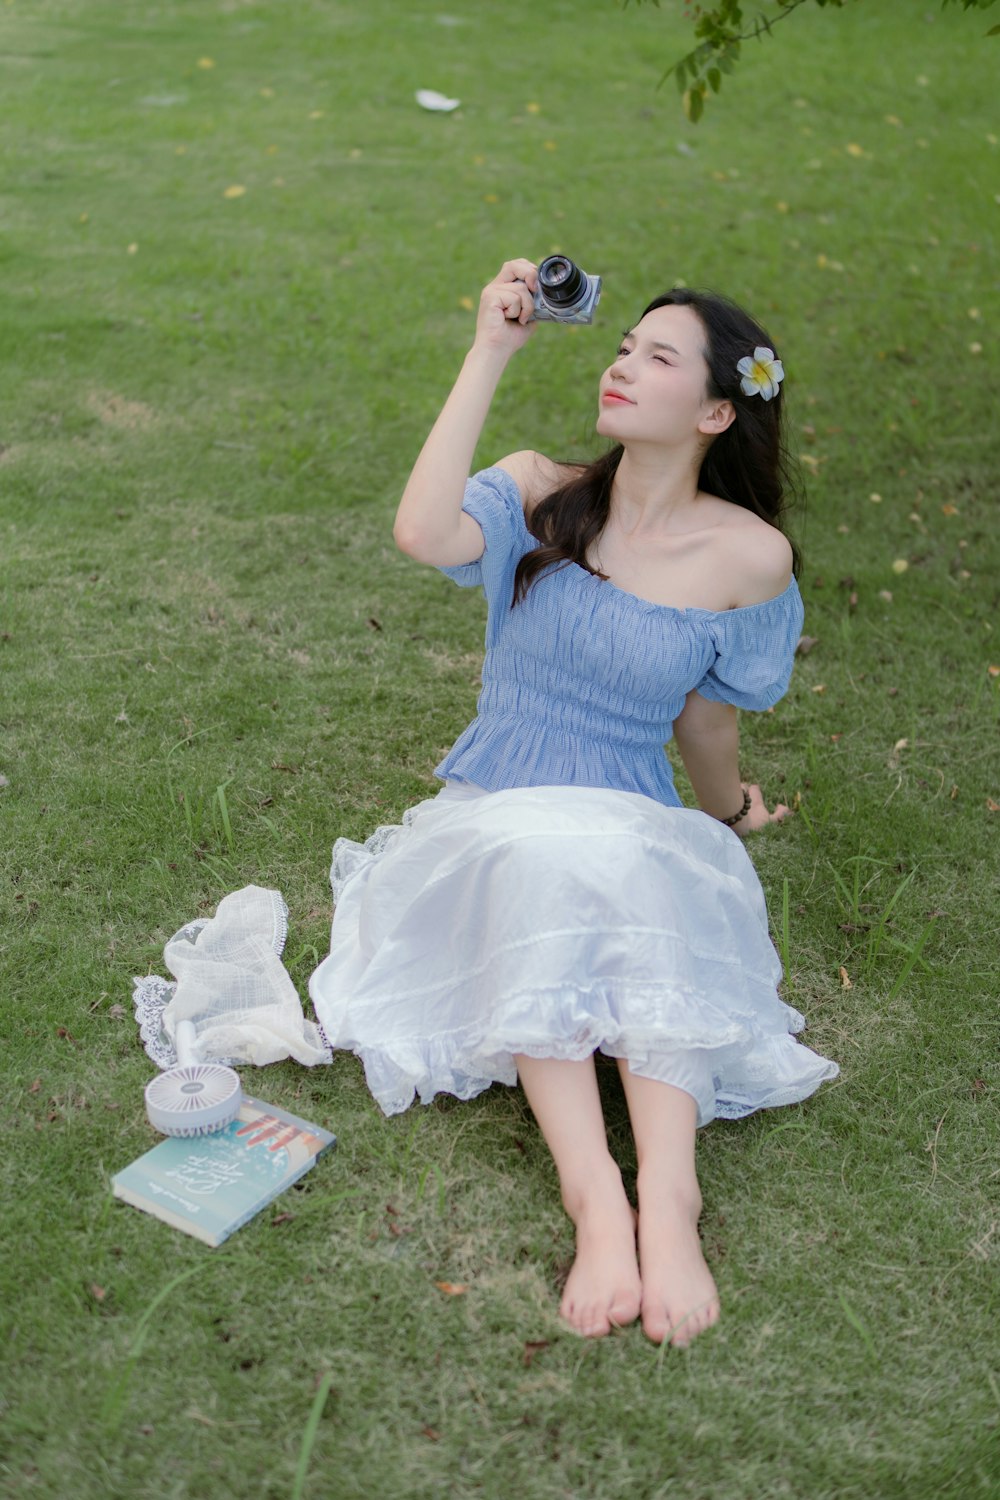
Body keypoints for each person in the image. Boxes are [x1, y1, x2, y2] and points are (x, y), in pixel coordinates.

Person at [309, 259, 839, 1348]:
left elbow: (703, 719)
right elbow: (421, 533)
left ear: (714, 410)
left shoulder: (748, 557)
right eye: (620, 346)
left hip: (632, 812)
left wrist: (729, 811)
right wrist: (490, 348)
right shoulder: (540, 489)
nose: (621, 365)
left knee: (640, 874)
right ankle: (595, 1193)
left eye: (657, 358)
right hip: (501, 805)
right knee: (540, 863)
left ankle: (672, 1199)